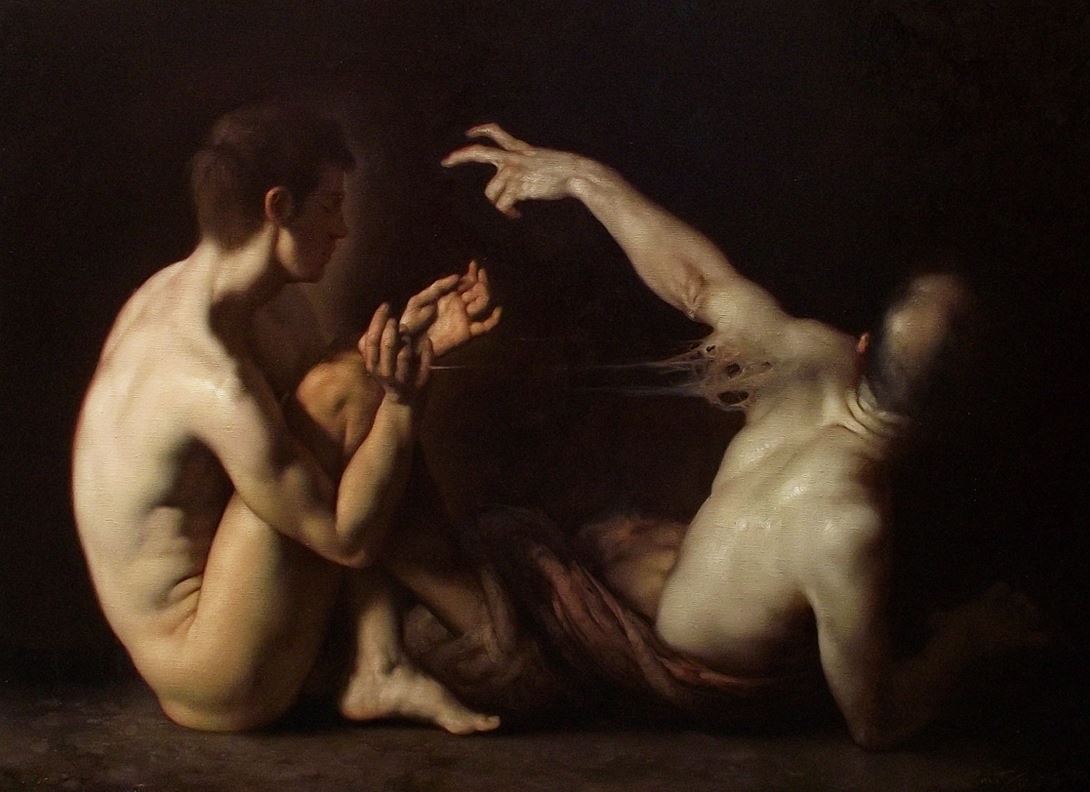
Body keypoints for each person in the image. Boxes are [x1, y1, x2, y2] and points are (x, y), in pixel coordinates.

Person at [443, 124, 1047, 749]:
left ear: (864, 348)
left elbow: (698, 284)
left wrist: (580, 176)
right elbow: (877, 722)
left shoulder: (813, 355)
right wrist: (968, 639)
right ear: (954, 420)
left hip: (651, 595)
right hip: (653, 637)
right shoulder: (849, 521)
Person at [72, 102, 504, 734]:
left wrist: (418, 344)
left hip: (228, 616)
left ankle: (375, 664)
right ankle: (379, 663)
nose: (342, 230)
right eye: (330, 206)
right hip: (212, 673)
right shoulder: (204, 375)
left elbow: (333, 437)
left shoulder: (227, 300)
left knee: (348, 373)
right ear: (279, 207)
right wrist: (403, 400)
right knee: (346, 387)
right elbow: (349, 540)